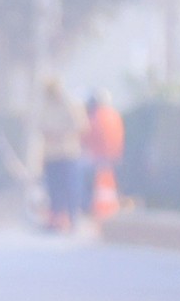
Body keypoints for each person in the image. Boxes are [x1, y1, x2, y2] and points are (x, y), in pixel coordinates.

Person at [37, 79, 85, 232]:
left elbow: (80, 125)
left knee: (70, 188)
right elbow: (41, 126)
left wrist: (61, 133)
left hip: (67, 153)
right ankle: (56, 220)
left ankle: (72, 219)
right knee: (53, 189)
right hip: (51, 154)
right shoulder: (46, 107)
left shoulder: (70, 105)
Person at [84, 89, 126, 222]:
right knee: (108, 184)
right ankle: (109, 209)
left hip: (99, 156)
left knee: (89, 178)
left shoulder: (96, 117)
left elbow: (87, 136)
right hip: (114, 156)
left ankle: (95, 209)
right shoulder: (115, 115)